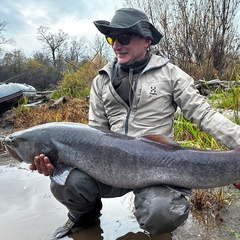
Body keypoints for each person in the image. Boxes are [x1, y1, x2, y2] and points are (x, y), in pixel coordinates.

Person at [30, 8, 240, 239]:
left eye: (124, 38)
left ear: (146, 40)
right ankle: (85, 220)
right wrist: (58, 165)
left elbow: (204, 114)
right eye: (111, 38)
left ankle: (157, 221)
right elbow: (93, 133)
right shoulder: (101, 80)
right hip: (110, 169)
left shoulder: (171, 74)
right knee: (67, 183)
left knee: (161, 213)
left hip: (158, 168)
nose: (116, 45)